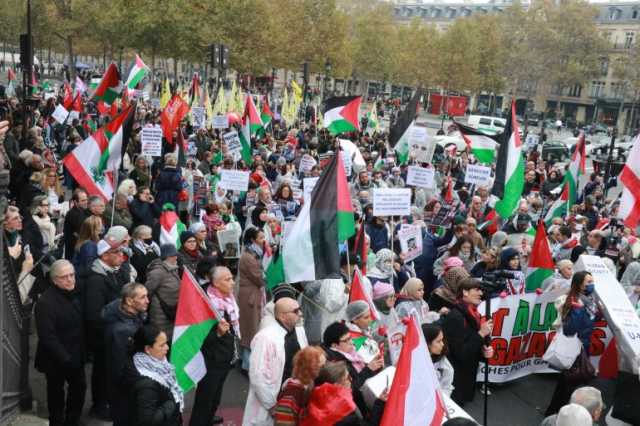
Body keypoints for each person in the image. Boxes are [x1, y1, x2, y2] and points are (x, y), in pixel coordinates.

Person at [34, 260, 86, 426]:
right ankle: (56, 422)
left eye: (72, 275)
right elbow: (47, 336)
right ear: (54, 280)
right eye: (64, 277)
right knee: (56, 393)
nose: (70, 280)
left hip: (76, 354)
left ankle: (72, 420)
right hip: (55, 359)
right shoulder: (45, 303)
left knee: (79, 389)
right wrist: (66, 359)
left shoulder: (75, 292)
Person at [85, 239, 130, 420]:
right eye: (116, 253)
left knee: (112, 372)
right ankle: (100, 405)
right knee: (102, 373)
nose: (122, 256)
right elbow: (94, 314)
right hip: (104, 336)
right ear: (104, 256)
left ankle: (110, 402)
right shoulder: (96, 279)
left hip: (115, 334)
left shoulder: (115, 272)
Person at [243, 297, 304, 426]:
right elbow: (258, 375)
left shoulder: (299, 331)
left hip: (294, 398)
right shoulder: (265, 338)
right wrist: (271, 405)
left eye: (300, 309)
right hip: (272, 403)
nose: (300, 313)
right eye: (296, 311)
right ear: (282, 316)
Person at [190, 266, 239, 426]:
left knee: (215, 397)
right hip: (210, 360)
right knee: (205, 397)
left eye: (232, 278)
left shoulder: (228, 297)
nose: (233, 282)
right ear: (216, 283)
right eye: (228, 279)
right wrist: (217, 333)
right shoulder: (207, 304)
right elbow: (198, 336)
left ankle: (209, 418)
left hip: (225, 357)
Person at [546, 271, 599, 415]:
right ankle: (556, 415)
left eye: (592, 281)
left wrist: (598, 313)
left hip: (583, 348)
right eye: (588, 282)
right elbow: (570, 329)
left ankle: (560, 413)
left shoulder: (590, 300)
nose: (591, 284)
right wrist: (578, 310)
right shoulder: (572, 300)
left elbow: (590, 322)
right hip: (574, 349)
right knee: (568, 384)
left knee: (570, 384)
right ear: (579, 285)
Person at [440, 278, 494, 405]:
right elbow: (460, 352)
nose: (481, 293)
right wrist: (481, 333)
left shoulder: (472, 313)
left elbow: (471, 341)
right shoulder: (456, 317)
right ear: (465, 292)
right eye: (477, 289)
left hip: (467, 374)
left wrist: (483, 352)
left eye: (481, 290)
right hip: (456, 378)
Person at [103, 283, 149, 426]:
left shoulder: (133, 315)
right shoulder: (122, 330)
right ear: (129, 301)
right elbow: (119, 365)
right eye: (143, 297)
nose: (148, 300)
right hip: (125, 388)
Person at [322, 321, 384, 417]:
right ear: (334, 345)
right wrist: (368, 370)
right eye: (346, 340)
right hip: (359, 408)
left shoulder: (352, 352)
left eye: (350, 337)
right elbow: (350, 389)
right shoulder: (336, 365)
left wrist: (376, 365)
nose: (352, 342)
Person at [301, 360, 386, 426]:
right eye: (347, 378)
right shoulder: (344, 415)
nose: (351, 379)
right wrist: (380, 403)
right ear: (336, 386)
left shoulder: (316, 399)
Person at [131, 325, 184, 426]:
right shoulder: (146, 384)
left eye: (166, 343)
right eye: (162, 345)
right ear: (147, 349)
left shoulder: (160, 362)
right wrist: (170, 404)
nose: (167, 348)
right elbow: (148, 421)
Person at [273, 346, 326, 425]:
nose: (324, 370)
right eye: (321, 367)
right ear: (311, 368)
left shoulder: (308, 385)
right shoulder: (291, 396)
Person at [238, 227, 267, 372]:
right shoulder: (249, 257)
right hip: (250, 296)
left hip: (253, 294)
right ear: (252, 240)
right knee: (251, 329)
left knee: (252, 327)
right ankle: (247, 365)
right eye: (261, 238)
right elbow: (259, 278)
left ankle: (247, 362)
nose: (264, 240)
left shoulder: (255, 254)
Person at [145, 244, 181, 341]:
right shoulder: (157, 272)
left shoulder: (173, 268)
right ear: (167, 257)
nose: (176, 257)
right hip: (161, 316)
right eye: (173, 256)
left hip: (171, 313)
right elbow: (147, 291)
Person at [423, 323, 455, 397]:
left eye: (442, 340)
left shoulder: (444, 366)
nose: (442, 344)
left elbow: (446, 388)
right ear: (427, 343)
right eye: (438, 341)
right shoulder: (412, 360)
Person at [63, 188, 88, 260]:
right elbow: (82, 232)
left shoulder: (82, 211)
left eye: (86, 199)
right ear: (75, 202)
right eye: (83, 200)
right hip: (74, 252)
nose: (86, 202)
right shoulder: (73, 214)